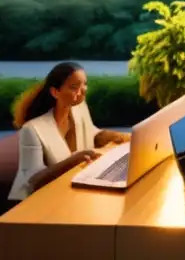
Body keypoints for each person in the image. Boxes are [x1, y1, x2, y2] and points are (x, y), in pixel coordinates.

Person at [8, 62, 130, 201]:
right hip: (35, 201)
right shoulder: (32, 129)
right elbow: (34, 181)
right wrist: (72, 161)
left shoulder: (78, 108)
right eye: (74, 87)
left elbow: (92, 135)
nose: (82, 91)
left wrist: (123, 137)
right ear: (55, 92)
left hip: (69, 190)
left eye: (84, 84)